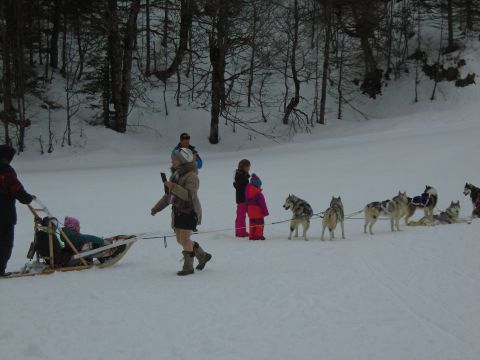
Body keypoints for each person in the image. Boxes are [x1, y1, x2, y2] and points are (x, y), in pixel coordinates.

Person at [151, 147, 211, 276]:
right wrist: (157, 208)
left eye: (174, 160)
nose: (172, 162)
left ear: (183, 161)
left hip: (189, 212)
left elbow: (189, 195)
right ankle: (203, 255)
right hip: (178, 211)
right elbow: (168, 196)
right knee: (181, 240)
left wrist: (173, 186)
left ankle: (188, 267)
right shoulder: (176, 175)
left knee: (184, 240)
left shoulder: (192, 177)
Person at [0, 145, 35, 276]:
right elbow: (15, 188)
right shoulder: (5, 170)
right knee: (5, 243)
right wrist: (27, 198)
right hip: (4, 213)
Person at [245, 174, 269, 240]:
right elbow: (263, 204)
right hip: (258, 212)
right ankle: (258, 236)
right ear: (257, 185)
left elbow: (246, 203)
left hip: (250, 212)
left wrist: (247, 211)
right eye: (260, 185)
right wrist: (265, 212)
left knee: (252, 224)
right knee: (259, 223)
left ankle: (252, 235)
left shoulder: (247, 192)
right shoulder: (258, 194)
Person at [233, 159, 251, 237]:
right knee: (241, 215)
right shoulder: (240, 176)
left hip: (242, 198)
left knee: (240, 215)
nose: (249, 168)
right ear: (243, 167)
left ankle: (239, 231)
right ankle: (241, 232)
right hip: (242, 199)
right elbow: (241, 187)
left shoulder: (241, 174)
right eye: (247, 167)